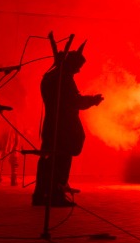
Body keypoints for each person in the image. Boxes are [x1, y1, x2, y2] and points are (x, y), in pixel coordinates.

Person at [32, 43, 103, 208]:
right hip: (63, 127)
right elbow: (73, 102)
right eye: (77, 66)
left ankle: (41, 195)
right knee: (60, 161)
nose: (78, 70)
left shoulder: (49, 77)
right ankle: (56, 196)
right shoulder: (62, 79)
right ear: (69, 63)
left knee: (47, 161)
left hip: (52, 125)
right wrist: (92, 100)